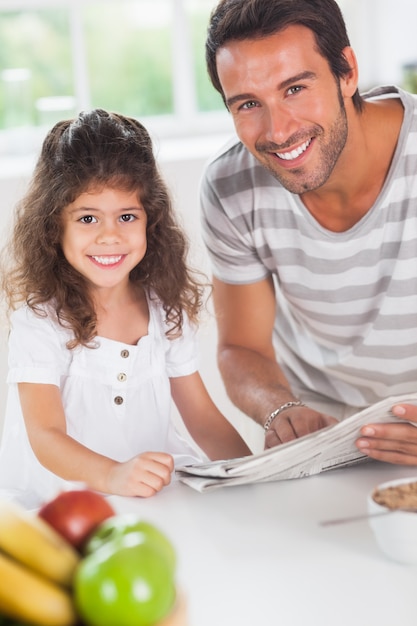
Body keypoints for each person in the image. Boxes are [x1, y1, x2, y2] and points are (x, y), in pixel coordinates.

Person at [200, 0, 417, 464]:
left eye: (295, 88)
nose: (278, 131)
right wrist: (280, 410)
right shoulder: (230, 188)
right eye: (249, 104)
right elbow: (241, 348)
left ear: (347, 72)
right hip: (324, 442)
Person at [0, 109, 251, 509]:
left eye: (127, 216)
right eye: (87, 218)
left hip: (153, 499)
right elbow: (46, 435)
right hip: (66, 506)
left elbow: (203, 418)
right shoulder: (41, 322)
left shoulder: (164, 310)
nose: (110, 236)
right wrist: (113, 475)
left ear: (150, 221)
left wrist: (253, 476)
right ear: (53, 228)